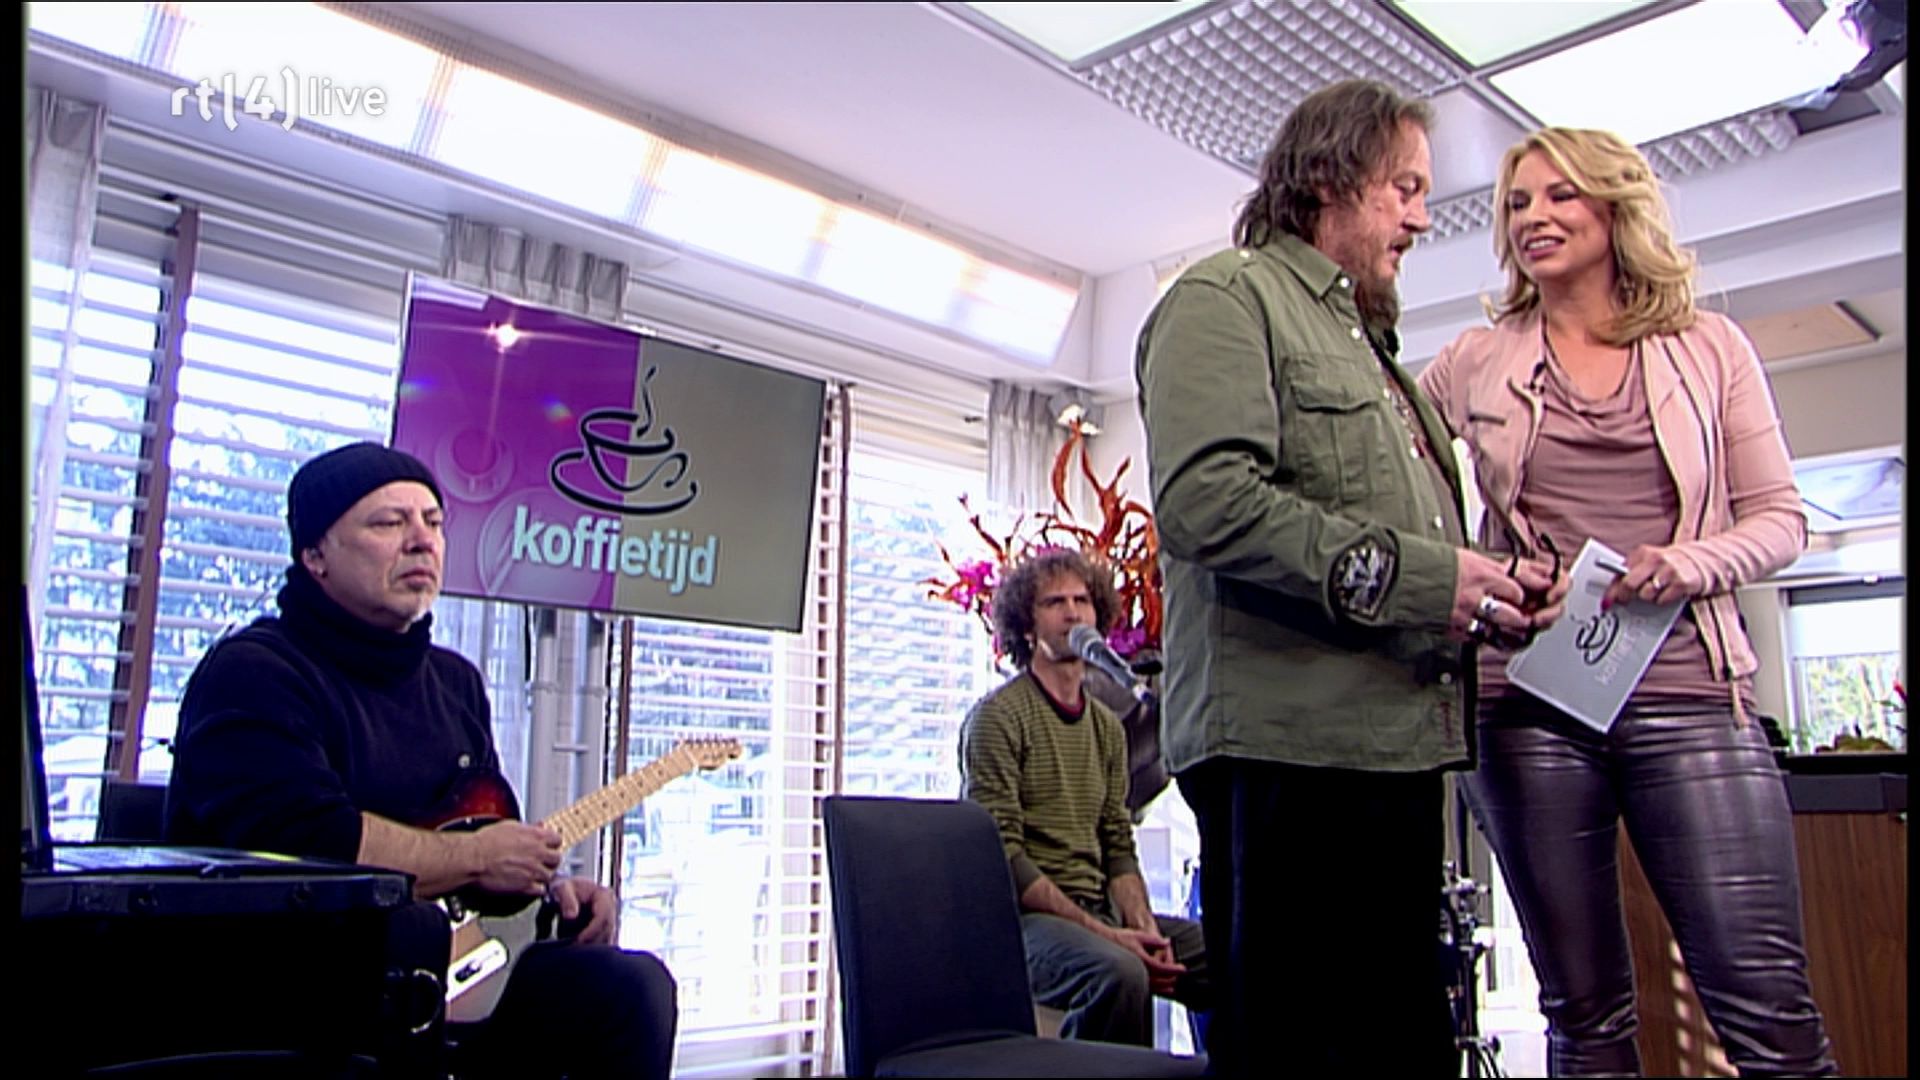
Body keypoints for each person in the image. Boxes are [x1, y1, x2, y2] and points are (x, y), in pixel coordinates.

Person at [1133, 79, 1566, 1075]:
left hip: (1387, 750)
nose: (1421, 217)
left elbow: (1380, 535)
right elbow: (1208, 504)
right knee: (1301, 1050)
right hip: (1290, 752)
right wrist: (1430, 580)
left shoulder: (1374, 351)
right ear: (1330, 178)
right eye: (1403, 188)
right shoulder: (1225, 298)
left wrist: (1479, 593)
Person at [1418, 127, 1835, 1077]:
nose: (1534, 217)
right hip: (1527, 704)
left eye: (1559, 195)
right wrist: (1479, 582)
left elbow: (1781, 519)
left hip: (1691, 695)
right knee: (1584, 1015)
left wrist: (1689, 565)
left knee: (1769, 1011)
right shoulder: (1476, 359)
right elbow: (1390, 484)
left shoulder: (1708, 347)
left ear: (1616, 207)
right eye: (1517, 204)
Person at [165, 441, 679, 1080]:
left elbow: (479, 854)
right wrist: (476, 857)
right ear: (314, 554)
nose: (421, 541)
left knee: (629, 988)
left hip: (440, 980)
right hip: (294, 993)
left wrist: (548, 894)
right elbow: (307, 842)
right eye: (388, 523)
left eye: (433, 522)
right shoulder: (254, 671)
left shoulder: (455, 682)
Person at [958, 548, 1210, 1047]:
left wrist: (1143, 928)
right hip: (1024, 925)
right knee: (1120, 972)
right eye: (1054, 603)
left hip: (1100, 911)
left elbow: (1118, 843)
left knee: (1237, 955)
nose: (1072, 613)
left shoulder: (1107, 729)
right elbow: (1003, 856)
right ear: (1026, 626)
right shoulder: (997, 719)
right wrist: (1112, 937)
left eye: (1081, 601)